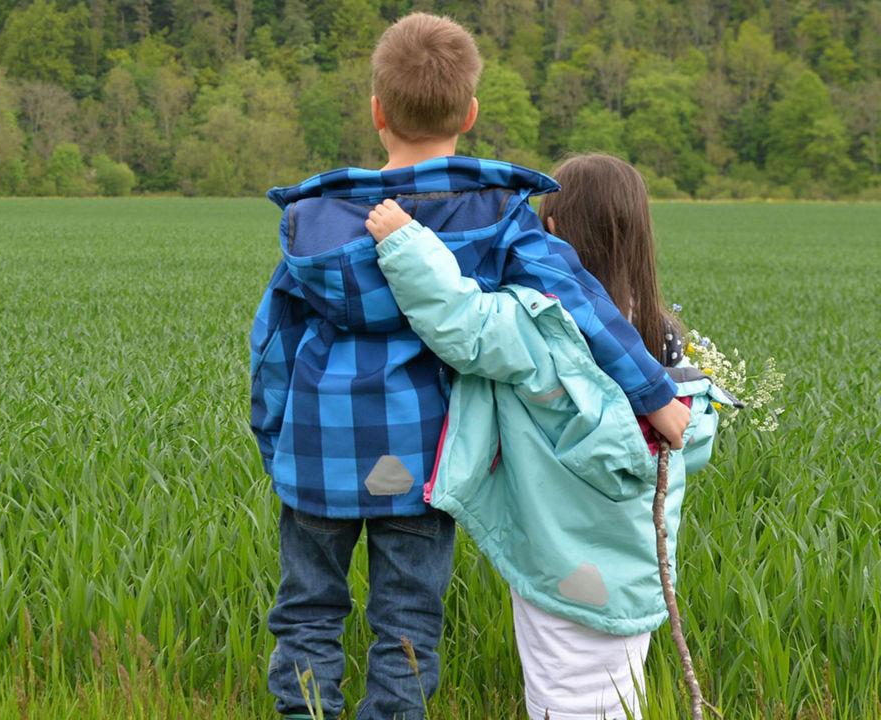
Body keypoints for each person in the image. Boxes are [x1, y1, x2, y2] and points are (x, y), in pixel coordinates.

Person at [249, 11, 690, 719]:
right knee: (407, 621)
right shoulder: (496, 213)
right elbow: (579, 302)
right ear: (471, 113)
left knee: (306, 610)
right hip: (424, 460)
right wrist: (654, 393)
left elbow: (272, 345)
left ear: (377, 111)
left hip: (317, 452)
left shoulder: (314, 221)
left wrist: (276, 440)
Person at [365, 153, 734, 720]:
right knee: (617, 695)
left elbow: (462, 322)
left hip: (560, 559)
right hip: (636, 566)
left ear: (552, 232)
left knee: (566, 699)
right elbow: (682, 441)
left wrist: (405, 242)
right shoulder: (659, 337)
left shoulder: (542, 323)